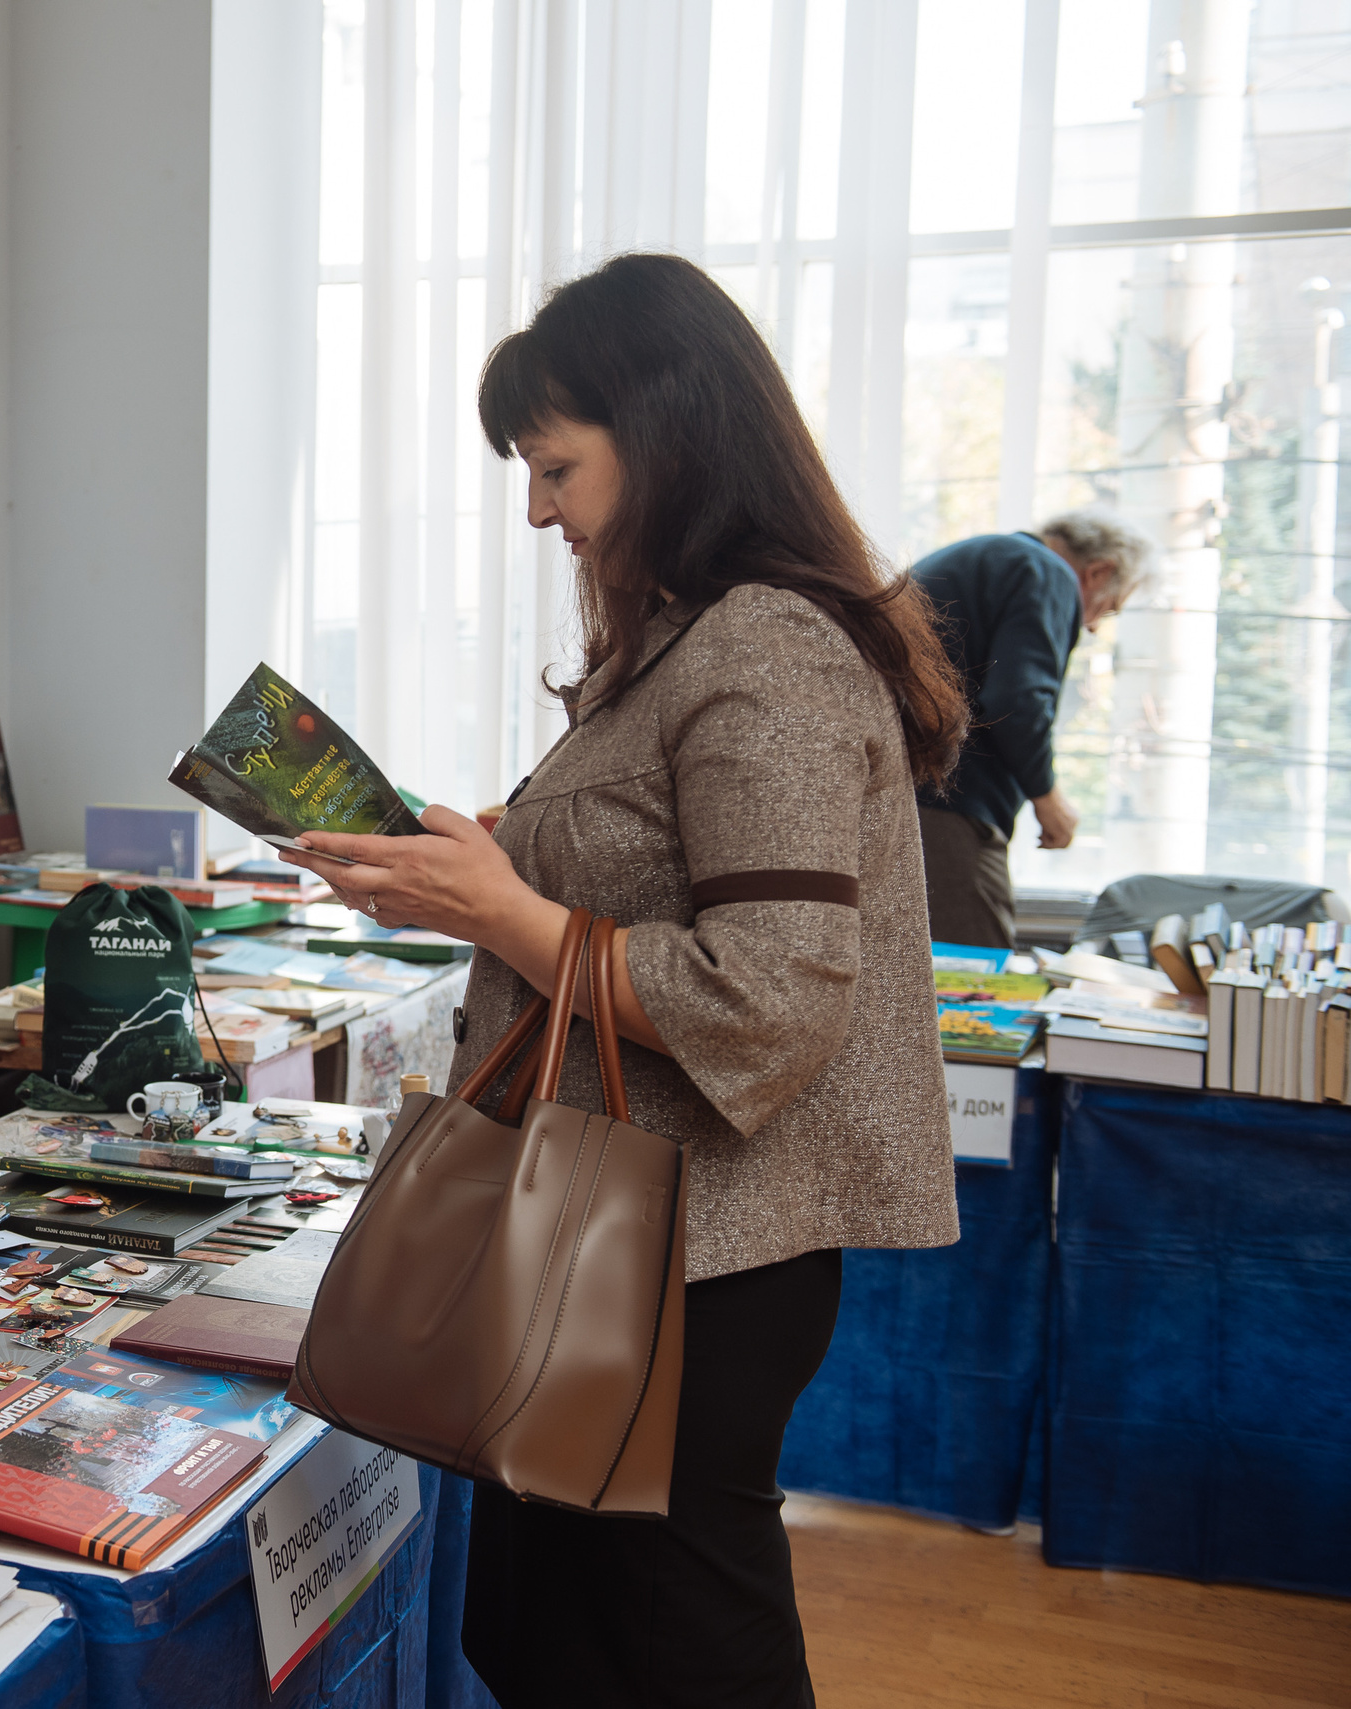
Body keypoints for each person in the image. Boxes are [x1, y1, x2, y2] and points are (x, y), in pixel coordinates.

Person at [278, 253, 967, 1708]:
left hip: (697, 1252)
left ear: (669, 434)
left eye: (555, 467)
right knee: (571, 1632)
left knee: (667, 1640)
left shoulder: (767, 650)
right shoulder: (676, 646)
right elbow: (625, 874)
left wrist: (506, 910)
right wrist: (454, 869)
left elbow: (768, 994)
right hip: (631, 1232)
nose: (539, 510)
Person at [911, 511, 1155, 948]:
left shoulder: (985, 556)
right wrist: (1050, 799)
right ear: (1100, 571)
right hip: (948, 804)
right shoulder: (1047, 573)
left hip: (910, 790)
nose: (1094, 625)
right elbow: (1018, 702)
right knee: (974, 979)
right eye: (1107, 607)